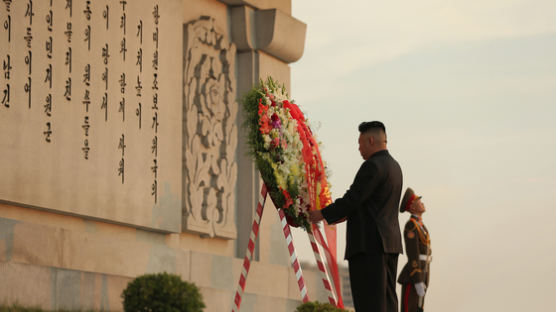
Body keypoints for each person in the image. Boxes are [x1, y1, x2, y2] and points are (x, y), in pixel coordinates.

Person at [308, 121, 403, 312]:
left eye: (360, 143)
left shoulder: (373, 166)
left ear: (370, 140)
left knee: (370, 303)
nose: (359, 149)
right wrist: (343, 214)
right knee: (388, 301)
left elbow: (353, 198)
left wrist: (321, 214)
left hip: (369, 245)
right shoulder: (394, 167)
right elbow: (370, 204)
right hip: (390, 244)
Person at [397, 188, 432, 312]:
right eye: (418, 201)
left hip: (424, 270)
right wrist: (417, 280)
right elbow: (413, 253)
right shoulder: (411, 225)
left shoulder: (421, 226)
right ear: (412, 206)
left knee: (419, 308)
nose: (422, 202)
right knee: (410, 308)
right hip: (414, 274)